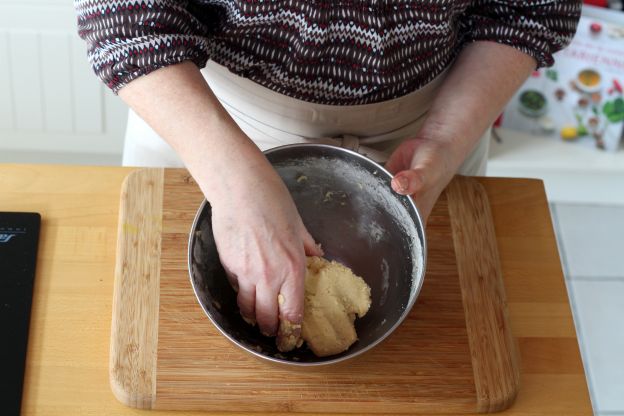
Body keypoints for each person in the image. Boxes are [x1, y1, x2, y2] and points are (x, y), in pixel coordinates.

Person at [76, 0, 581, 349]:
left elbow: (529, 10)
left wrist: (446, 141)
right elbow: (124, 16)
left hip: (435, 123)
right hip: (210, 122)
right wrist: (234, 183)